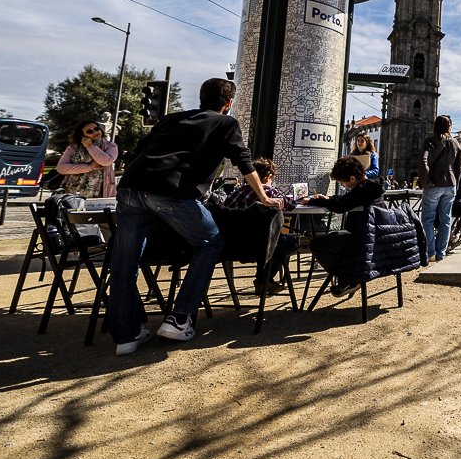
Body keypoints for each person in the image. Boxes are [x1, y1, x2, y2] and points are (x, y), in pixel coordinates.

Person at [109, 78, 284, 356]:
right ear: (228, 103)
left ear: (201, 98)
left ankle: (126, 336)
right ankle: (179, 318)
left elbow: (138, 151)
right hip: (172, 191)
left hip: (132, 187)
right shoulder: (226, 123)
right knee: (211, 243)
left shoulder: (169, 119)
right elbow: (244, 161)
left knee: (125, 263)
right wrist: (263, 197)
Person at [304, 155, 386, 295]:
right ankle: (349, 277)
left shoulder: (361, 190)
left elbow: (340, 206)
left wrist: (312, 201)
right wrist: (328, 198)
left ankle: (350, 279)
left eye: (342, 182)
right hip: (375, 238)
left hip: (363, 242)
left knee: (317, 244)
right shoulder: (371, 187)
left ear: (352, 179)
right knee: (336, 238)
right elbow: (347, 200)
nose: (343, 186)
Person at [223, 156, 298, 295]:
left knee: (273, 241)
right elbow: (291, 205)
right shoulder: (269, 192)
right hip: (261, 247)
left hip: (232, 246)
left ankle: (264, 280)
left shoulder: (235, 194)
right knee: (290, 241)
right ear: (269, 176)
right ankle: (264, 279)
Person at [419, 115, 461, 262]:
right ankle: (441, 253)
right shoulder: (456, 143)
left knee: (428, 219)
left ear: (435, 126)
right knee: (446, 220)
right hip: (450, 185)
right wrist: (455, 183)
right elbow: (458, 168)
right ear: (449, 127)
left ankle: (430, 253)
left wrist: (425, 180)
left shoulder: (430, 141)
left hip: (434, 185)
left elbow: (424, 160)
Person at [56, 119, 119, 197]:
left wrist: (90, 146)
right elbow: (61, 168)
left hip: (99, 192)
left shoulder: (110, 146)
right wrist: (90, 167)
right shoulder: (73, 148)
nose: (95, 132)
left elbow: (106, 162)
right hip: (74, 190)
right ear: (82, 135)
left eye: (96, 129)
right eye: (90, 131)